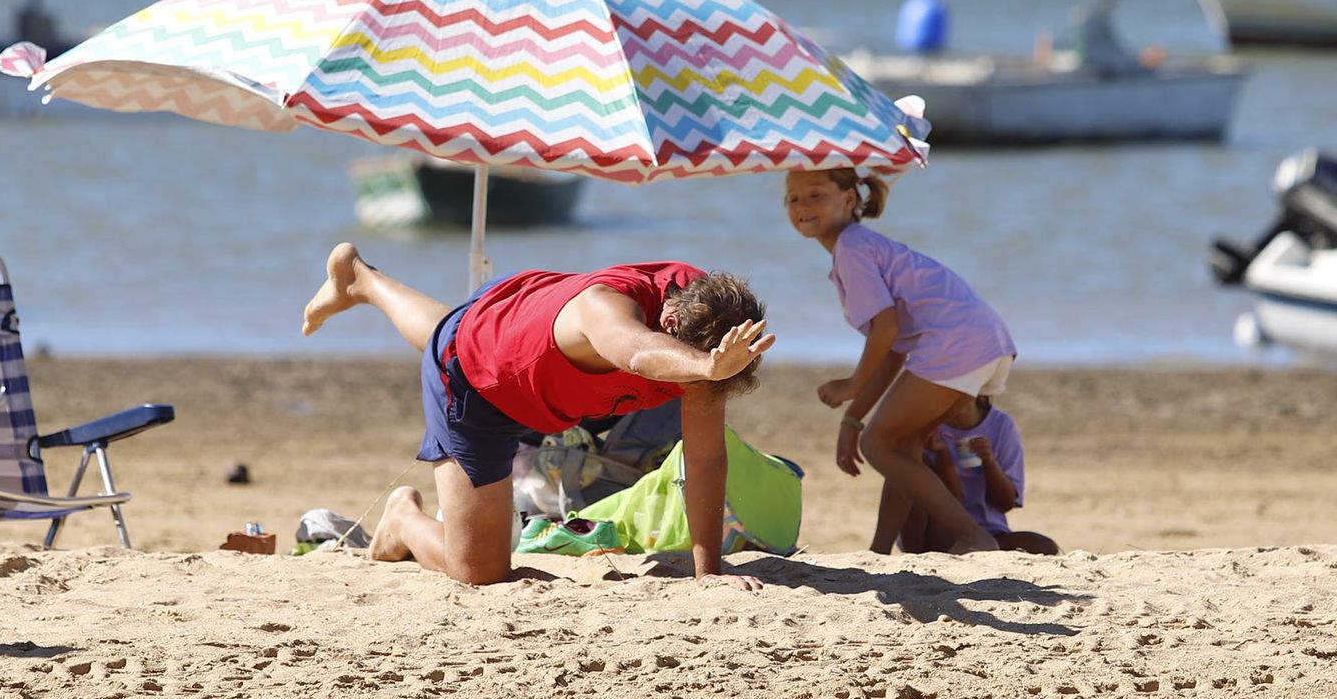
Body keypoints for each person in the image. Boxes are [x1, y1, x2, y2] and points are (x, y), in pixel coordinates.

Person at [301, 243, 774, 588]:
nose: (706, 390)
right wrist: (706, 368)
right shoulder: (605, 308)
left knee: (456, 329)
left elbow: (706, 456)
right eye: (699, 378)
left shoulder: (709, 314)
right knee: (480, 573)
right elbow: (635, 351)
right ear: (669, 327)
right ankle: (404, 518)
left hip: (516, 320)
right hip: (475, 385)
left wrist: (709, 573)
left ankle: (359, 278)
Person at [782, 167, 1015, 554]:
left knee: (879, 446)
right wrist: (854, 418)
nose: (802, 206)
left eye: (815, 195)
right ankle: (880, 552)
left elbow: (886, 329)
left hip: (956, 342)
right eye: (792, 199)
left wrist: (853, 385)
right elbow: (892, 347)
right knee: (902, 446)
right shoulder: (857, 246)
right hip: (984, 341)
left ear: (849, 199)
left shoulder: (853, 249)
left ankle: (973, 536)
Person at [899, 396, 1059, 556]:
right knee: (911, 477)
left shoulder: (1001, 425)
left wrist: (990, 462)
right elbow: (949, 501)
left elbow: (1005, 504)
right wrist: (943, 457)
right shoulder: (925, 425)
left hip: (989, 534)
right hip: (939, 534)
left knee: (1044, 546)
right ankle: (911, 556)